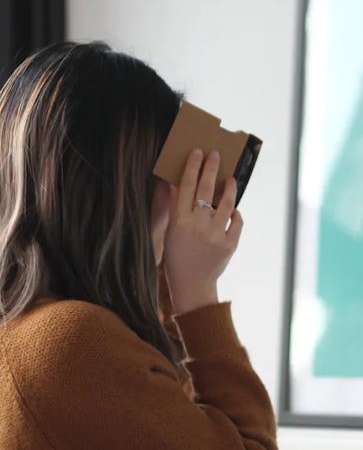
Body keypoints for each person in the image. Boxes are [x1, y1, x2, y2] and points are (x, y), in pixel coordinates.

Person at [0, 42, 277, 449]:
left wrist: (163, 278)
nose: (184, 194)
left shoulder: (29, 330)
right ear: (124, 188)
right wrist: (197, 297)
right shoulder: (72, 344)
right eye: (174, 171)